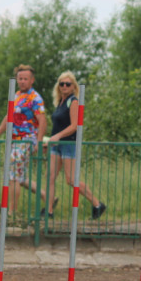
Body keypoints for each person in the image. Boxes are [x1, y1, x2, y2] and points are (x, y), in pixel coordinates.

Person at [43, 71, 106, 220]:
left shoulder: (74, 101)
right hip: (56, 144)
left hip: (69, 143)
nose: (64, 86)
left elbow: (75, 125)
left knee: (71, 179)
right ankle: (49, 211)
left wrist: (58, 136)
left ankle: (97, 204)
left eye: (67, 84)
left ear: (73, 86)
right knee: (50, 177)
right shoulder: (60, 102)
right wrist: (50, 140)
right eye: (61, 84)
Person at [0, 64, 47, 213]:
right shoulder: (16, 95)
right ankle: (46, 197)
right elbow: (9, 117)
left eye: (25, 79)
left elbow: (42, 120)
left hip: (26, 140)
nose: (22, 81)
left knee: (13, 176)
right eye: (20, 78)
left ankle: (11, 212)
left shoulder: (35, 98)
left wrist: (39, 141)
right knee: (19, 177)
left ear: (32, 80)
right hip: (15, 141)